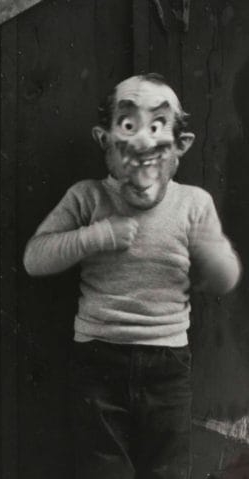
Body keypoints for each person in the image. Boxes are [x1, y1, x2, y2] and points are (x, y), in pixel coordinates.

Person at [23, 73, 241, 478]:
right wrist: (97, 235)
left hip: (168, 359)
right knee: (102, 470)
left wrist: (211, 259)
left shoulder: (194, 203)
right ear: (105, 140)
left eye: (157, 126)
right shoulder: (87, 197)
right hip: (98, 357)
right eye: (128, 124)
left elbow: (227, 278)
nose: (142, 141)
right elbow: (35, 258)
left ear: (181, 144)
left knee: (169, 470)